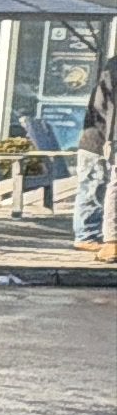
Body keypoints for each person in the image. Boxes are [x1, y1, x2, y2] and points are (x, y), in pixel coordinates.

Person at [79, 45, 117, 257]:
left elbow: (102, 105)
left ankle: (107, 239)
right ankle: (98, 237)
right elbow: (104, 107)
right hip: (101, 137)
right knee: (98, 186)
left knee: (106, 185)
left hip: (107, 134)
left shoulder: (111, 67)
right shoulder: (113, 68)